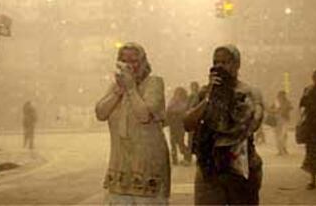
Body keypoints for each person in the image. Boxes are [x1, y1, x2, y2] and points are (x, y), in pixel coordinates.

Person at [184, 45, 263, 205]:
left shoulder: (249, 92)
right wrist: (209, 98)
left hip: (240, 166)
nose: (219, 66)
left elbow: (250, 125)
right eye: (216, 62)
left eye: (225, 62)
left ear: (237, 64)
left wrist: (226, 97)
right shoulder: (205, 92)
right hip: (209, 167)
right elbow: (187, 123)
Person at [95, 42, 170, 205]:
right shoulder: (116, 87)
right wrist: (119, 91)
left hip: (148, 164)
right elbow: (100, 113)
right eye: (124, 61)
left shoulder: (154, 83)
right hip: (120, 163)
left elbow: (144, 115)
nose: (129, 66)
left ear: (144, 63)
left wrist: (131, 89)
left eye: (134, 61)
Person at [166, 87, 189, 165]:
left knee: (180, 142)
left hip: (180, 125)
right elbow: (168, 110)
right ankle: (174, 160)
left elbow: (183, 110)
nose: (177, 95)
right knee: (173, 143)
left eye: (178, 93)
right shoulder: (173, 101)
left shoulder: (184, 102)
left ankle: (187, 156)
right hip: (173, 125)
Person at [270, 90, 292, 155]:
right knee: (280, 135)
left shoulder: (286, 102)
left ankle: (282, 148)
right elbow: (270, 109)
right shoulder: (276, 102)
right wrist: (276, 111)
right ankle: (281, 149)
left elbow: (290, 107)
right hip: (278, 120)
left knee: (282, 135)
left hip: (283, 119)